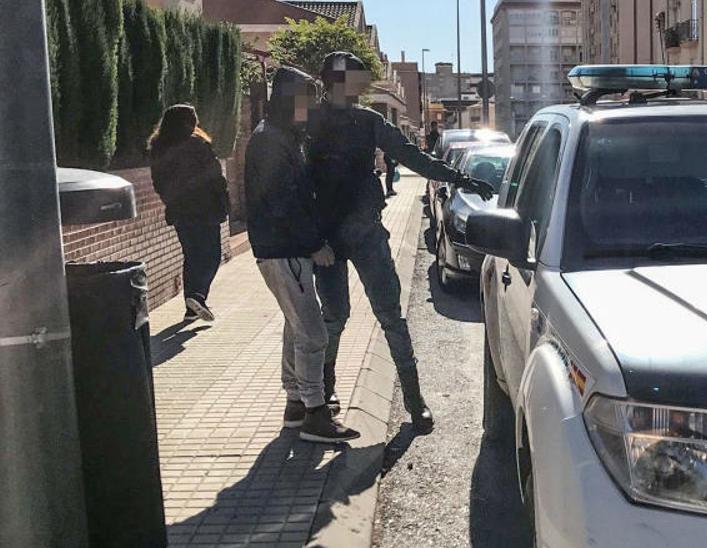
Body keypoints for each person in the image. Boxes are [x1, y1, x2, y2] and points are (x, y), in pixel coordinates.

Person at [307, 51, 494, 432]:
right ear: (333, 83)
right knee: (334, 318)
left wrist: (460, 179)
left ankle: (414, 400)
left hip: (365, 231)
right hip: (325, 237)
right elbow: (294, 181)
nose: (359, 90)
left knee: (391, 315)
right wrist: (309, 239)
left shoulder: (368, 120)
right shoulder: (308, 120)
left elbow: (412, 156)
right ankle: (324, 395)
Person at [244, 66, 360, 444]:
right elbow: (284, 202)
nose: (311, 107)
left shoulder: (277, 137)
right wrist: (313, 244)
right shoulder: (271, 142)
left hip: (281, 248)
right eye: (305, 99)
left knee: (296, 327)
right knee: (313, 332)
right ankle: (315, 412)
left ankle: (296, 403)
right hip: (285, 249)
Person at [149, 104, 229, 322]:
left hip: (180, 211)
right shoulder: (197, 144)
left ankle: (191, 307)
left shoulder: (158, 147)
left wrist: (171, 201)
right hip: (205, 208)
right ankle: (197, 295)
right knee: (211, 255)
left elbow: (159, 182)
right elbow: (214, 176)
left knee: (192, 256)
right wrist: (223, 201)